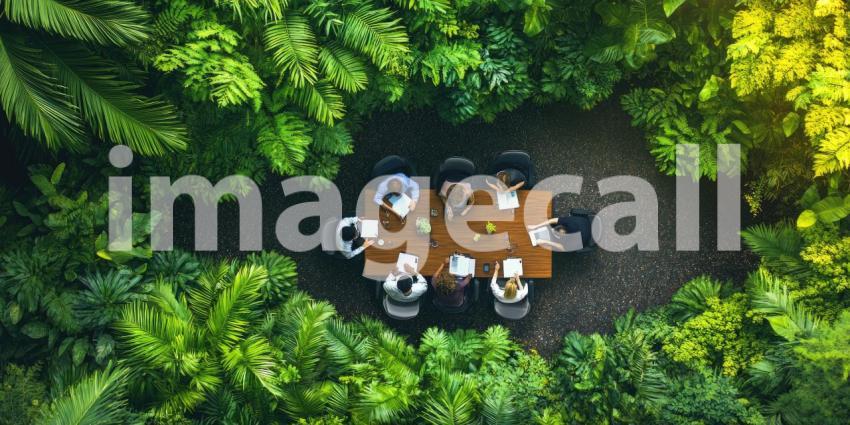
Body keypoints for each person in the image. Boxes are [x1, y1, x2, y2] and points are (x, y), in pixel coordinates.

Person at [527, 215, 592, 252]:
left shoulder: (572, 242)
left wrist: (545, 241)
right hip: (584, 222)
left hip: (586, 238)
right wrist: (536, 226)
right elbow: (554, 220)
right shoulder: (569, 223)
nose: (551, 230)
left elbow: (563, 248)